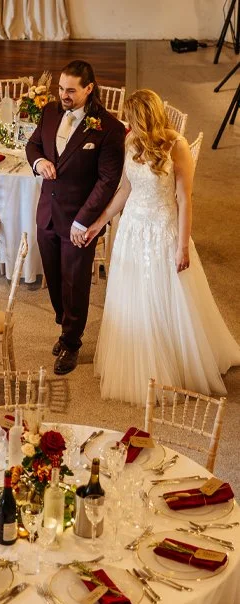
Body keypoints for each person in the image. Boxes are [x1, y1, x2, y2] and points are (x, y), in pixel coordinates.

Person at [91, 89, 240, 404]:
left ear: (143, 116)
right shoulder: (130, 141)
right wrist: (101, 220)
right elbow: (125, 189)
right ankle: (142, 359)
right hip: (131, 228)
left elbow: (185, 199)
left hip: (163, 230)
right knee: (135, 297)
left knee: (167, 299)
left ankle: (176, 363)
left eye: (130, 117)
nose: (126, 122)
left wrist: (182, 246)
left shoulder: (177, 145)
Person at [26, 60, 126, 375]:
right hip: (47, 214)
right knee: (53, 279)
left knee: (76, 282)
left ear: (88, 89)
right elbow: (32, 144)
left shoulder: (108, 128)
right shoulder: (51, 112)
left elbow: (108, 181)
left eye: (71, 90)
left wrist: (84, 221)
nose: (64, 95)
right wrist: (39, 161)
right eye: (60, 88)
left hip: (79, 220)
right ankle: (64, 324)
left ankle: (72, 342)